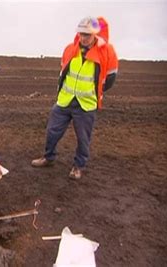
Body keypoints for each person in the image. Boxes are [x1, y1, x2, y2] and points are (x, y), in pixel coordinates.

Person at [31, 16, 118, 179]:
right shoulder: (70, 49)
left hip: (86, 104)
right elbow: (63, 71)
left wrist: (94, 91)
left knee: (83, 139)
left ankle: (78, 166)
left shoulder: (106, 51)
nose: (83, 38)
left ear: (95, 34)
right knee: (52, 131)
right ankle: (48, 157)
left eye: (87, 34)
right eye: (81, 34)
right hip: (65, 100)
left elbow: (111, 77)